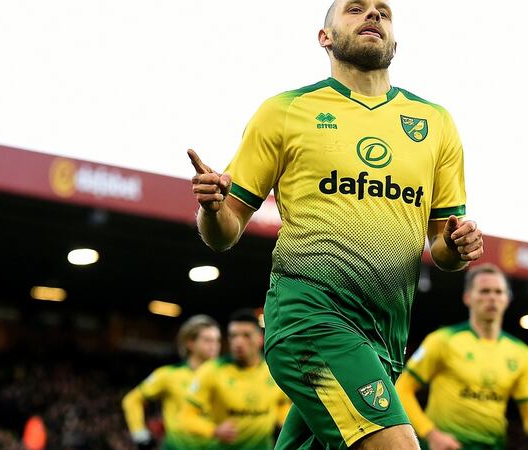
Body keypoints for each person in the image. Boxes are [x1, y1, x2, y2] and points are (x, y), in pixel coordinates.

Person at [187, 0, 483, 448]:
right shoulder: (285, 111)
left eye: (383, 11)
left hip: (385, 338)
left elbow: (442, 246)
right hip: (308, 316)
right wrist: (212, 209)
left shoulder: (436, 123)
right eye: (356, 9)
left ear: (395, 42)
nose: (373, 16)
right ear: (324, 38)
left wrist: (457, 247)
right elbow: (225, 233)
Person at [395, 264, 528, 450]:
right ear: (468, 298)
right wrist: (430, 433)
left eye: (498, 292)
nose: (492, 297)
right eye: (484, 291)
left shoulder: (521, 353)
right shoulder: (442, 340)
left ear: (507, 299)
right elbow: (402, 389)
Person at [180, 309, 290, 449]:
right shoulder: (211, 370)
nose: (238, 342)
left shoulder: (274, 371)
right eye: (233, 336)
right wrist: (213, 430)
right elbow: (186, 417)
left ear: (260, 339)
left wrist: (283, 421)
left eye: (246, 335)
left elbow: (281, 404)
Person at [122, 315, 221, 450]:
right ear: (190, 343)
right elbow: (132, 400)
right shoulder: (168, 375)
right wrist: (140, 434)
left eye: (217, 341)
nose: (214, 346)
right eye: (208, 340)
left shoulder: (226, 378)